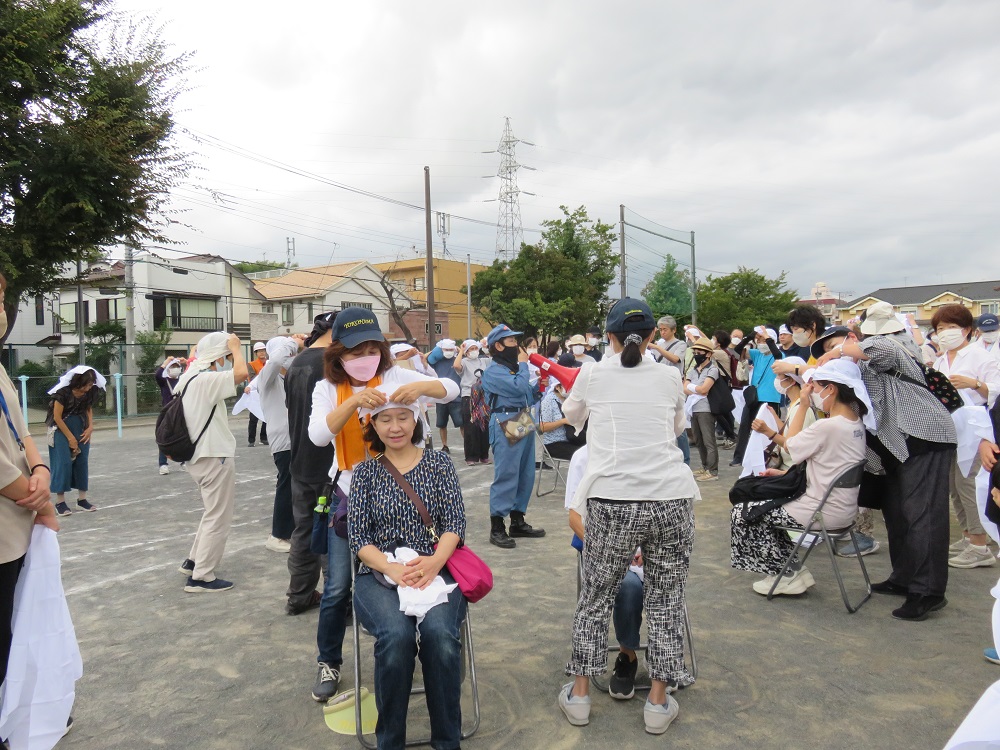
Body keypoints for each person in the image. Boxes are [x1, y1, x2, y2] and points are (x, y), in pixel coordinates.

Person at [559, 297, 696, 735]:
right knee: (666, 599)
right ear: (655, 335)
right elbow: (675, 428)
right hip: (670, 497)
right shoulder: (671, 374)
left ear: (609, 336)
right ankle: (657, 702)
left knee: (595, 598)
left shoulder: (593, 372)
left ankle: (579, 696)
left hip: (613, 498)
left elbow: (571, 417)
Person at [308, 307, 459, 703]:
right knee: (339, 585)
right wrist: (355, 400)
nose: (365, 357)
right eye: (356, 351)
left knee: (419, 568)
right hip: (350, 493)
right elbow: (319, 436)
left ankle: (417, 648)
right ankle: (329, 660)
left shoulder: (395, 376)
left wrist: (425, 389)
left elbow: (452, 388)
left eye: (373, 348)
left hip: (408, 490)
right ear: (338, 353)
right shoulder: (326, 387)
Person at [813, 321, 957, 620]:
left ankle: (927, 592)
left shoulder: (881, 348)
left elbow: (880, 350)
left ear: (851, 337)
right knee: (897, 515)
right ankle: (903, 578)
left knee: (923, 514)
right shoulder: (851, 379)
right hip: (893, 449)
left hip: (924, 435)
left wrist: (840, 351)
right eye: (825, 351)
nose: (830, 355)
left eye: (833, 345)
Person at [348, 393, 467, 750]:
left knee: (441, 638)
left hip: (437, 567)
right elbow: (358, 536)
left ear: (416, 421)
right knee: (396, 639)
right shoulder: (365, 472)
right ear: (373, 425)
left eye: (403, 417)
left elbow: (455, 522)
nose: (395, 427)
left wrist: (433, 563)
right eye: (385, 419)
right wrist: (391, 568)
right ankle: (390, 742)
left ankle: (447, 741)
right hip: (380, 574)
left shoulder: (439, 465)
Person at [730, 359, 869, 596]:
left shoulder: (829, 426)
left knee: (744, 512)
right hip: (841, 507)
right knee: (763, 509)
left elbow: (789, 445)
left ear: (831, 389)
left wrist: (803, 405)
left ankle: (784, 573)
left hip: (821, 509)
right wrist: (784, 473)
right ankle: (791, 569)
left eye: (814, 387)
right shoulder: (855, 423)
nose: (811, 392)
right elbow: (828, 468)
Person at [1, 278, 58, 715]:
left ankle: (18, 708)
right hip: (8, 521)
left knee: (18, 624)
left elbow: (22, 432)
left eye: (1, 301)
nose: (2, 312)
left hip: (18, 523)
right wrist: (40, 501)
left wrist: (39, 468)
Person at [565, 445, 646, 700]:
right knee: (628, 586)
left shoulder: (646, 450)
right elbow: (575, 518)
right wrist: (607, 549)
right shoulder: (583, 456)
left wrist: (645, 545)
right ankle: (628, 655)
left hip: (647, 548)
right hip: (602, 549)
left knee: (668, 583)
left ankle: (664, 660)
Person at [176, 332, 248, 593]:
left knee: (211, 512)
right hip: (212, 455)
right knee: (219, 516)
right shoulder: (205, 380)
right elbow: (241, 374)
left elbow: (198, 357)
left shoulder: (188, 376)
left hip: (197, 456)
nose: (227, 360)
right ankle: (201, 576)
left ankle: (193, 561)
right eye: (225, 356)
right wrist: (237, 349)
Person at [930, 304, 1000, 570]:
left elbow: (996, 391)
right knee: (954, 485)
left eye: (950, 327)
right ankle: (969, 535)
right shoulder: (940, 359)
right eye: (939, 329)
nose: (944, 333)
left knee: (968, 484)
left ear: (967, 330)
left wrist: (974, 384)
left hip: (976, 428)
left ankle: (980, 545)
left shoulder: (981, 357)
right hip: (950, 428)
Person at [284, 312, 336, 619]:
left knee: (303, 531)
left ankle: (299, 595)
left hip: (299, 461)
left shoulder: (298, 362)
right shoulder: (332, 362)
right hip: (329, 463)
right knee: (332, 534)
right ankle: (336, 601)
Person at [480, 324, 545, 549]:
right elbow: (517, 388)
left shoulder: (513, 368)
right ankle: (497, 526)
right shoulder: (494, 371)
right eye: (510, 342)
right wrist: (526, 365)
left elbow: (526, 393)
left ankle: (518, 519)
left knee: (525, 472)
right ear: (497, 346)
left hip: (521, 418)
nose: (516, 345)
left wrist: (539, 387)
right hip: (504, 419)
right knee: (507, 474)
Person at [257, 336, 302, 554]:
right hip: (283, 441)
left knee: (294, 486)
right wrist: (291, 342)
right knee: (286, 486)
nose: (291, 357)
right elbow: (274, 362)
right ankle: (277, 534)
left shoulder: (290, 379)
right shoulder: (266, 378)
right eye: (287, 353)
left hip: (296, 439)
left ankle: (290, 530)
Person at [46, 366, 105, 516]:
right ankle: (60, 502)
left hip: (81, 426)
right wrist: (70, 438)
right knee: (63, 462)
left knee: (82, 461)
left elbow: (88, 409)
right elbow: (57, 417)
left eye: (91, 384)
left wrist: (90, 427)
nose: (89, 387)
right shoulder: (62, 393)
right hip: (61, 428)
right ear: (78, 381)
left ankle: (82, 500)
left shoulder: (90, 392)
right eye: (87, 384)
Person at [731, 328, 781, 466]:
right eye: (759, 340)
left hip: (770, 398)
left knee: (769, 428)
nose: (760, 342)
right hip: (753, 397)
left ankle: (768, 455)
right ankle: (739, 457)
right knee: (745, 426)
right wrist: (751, 336)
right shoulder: (757, 354)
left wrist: (767, 337)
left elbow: (777, 355)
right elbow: (738, 350)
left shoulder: (779, 354)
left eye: (763, 340)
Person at [684, 338, 720, 482]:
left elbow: (705, 389)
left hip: (706, 408)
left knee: (708, 440)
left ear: (708, 354)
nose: (696, 354)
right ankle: (705, 466)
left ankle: (712, 470)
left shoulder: (713, 369)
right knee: (698, 440)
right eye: (695, 351)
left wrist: (693, 388)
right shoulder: (693, 370)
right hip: (693, 408)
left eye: (699, 352)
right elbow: (684, 387)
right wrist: (696, 389)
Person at [453, 339, 491, 465]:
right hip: (468, 396)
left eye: (475, 348)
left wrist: (487, 347)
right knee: (470, 427)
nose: (474, 351)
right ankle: (471, 456)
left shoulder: (484, 360)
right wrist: (461, 351)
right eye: (471, 349)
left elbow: (497, 360)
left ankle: (484, 454)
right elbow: (456, 366)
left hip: (483, 396)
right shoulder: (464, 361)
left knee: (484, 426)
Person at [426, 338, 463, 454]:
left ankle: (467, 444)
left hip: (457, 397)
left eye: (451, 349)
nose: (449, 351)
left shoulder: (457, 360)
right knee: (442, 424)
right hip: (441, 397)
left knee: (462, 423)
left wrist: (459, 350)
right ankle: (445, 445)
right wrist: (435, 350)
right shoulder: (437, 361)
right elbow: (423, 358)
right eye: (446, 349)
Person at [772, 305, 827, 378]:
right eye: (792, 331)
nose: (794, 334)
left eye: (796, 329)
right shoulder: (814, 351)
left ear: (812, 325)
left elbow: (827, 371)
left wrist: (793, 368)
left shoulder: (827, 347)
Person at [154, 356, 186, 475]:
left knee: (182, 437)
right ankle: (163, 464)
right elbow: (157, 375)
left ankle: (183, 461)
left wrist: (185, 363)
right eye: (172, 367)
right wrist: (165, 362)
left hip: (180, 412)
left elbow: (193, 373)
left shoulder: (182, 379)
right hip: (167, 413)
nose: (175, 369)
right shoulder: (164, 381)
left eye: (177, 367)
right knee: (164, 437)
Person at [539, 381, 586, 460]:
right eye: (568, 387)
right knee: (583, 455)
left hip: (571, 439)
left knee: (590, 450)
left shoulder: (568, 400)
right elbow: (543, 427)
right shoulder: (548, 401)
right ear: (557, 387)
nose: (570, 390)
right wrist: (563, 421)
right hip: (554, 443)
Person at [247, 342, 268, 447]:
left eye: (263, 350)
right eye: (259, 351)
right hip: (255, 395)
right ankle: (251, 440)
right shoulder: (251, 365)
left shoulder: (269, 363)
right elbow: (252, 378)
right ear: (256, 353)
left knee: (266, 417)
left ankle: (264, 438)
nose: (262, 353)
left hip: (266, 394)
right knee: (253, 418)